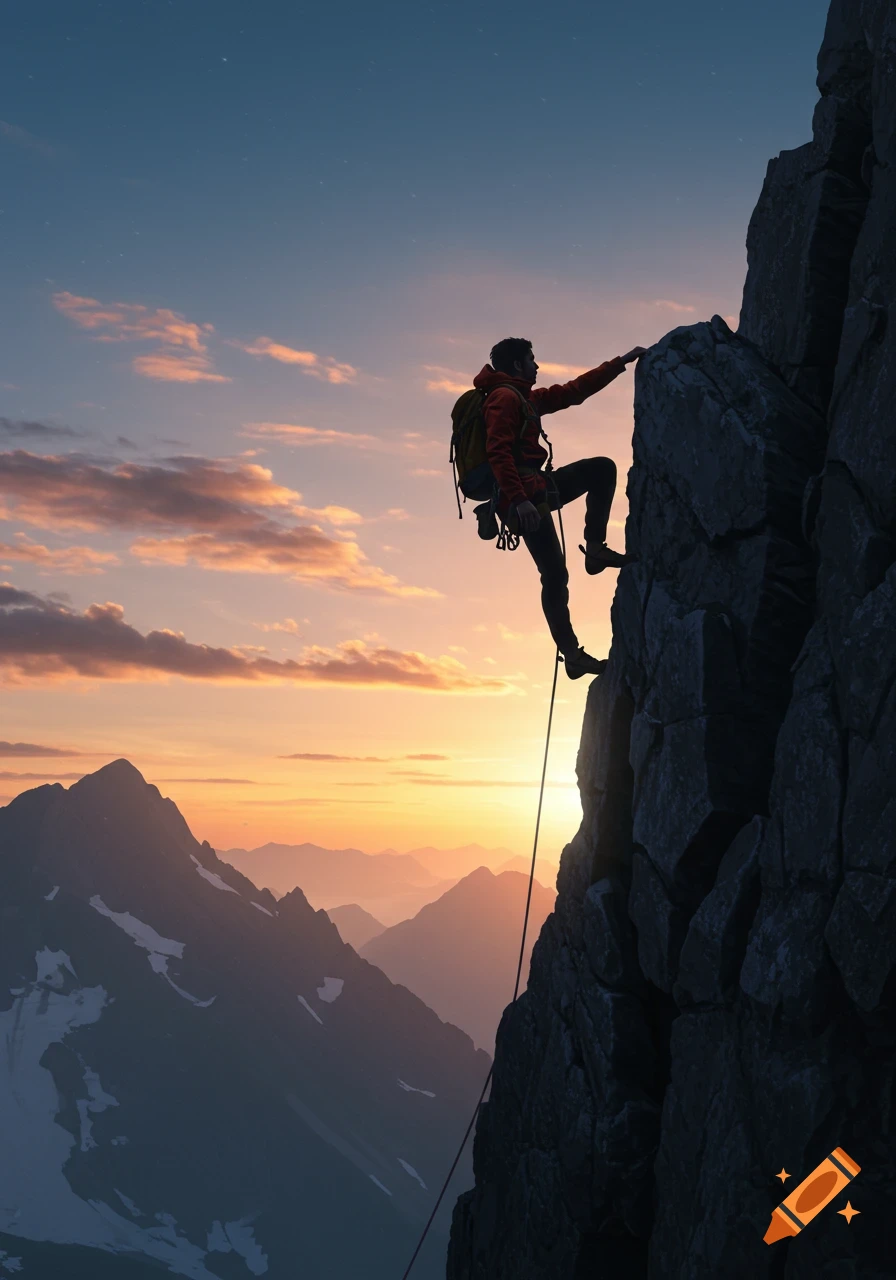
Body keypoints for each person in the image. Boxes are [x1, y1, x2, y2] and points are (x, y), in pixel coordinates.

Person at [474, 337, 647, 679]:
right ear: (517, 365)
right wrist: (520, 501)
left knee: (601, 469)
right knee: (554, 574)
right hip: (522, 500)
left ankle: (595, 550)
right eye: (532, 360)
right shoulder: (504, 399)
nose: (537, 366)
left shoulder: (525, 399)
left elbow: (572, 391)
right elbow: (498, 453)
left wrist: (621, 362)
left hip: (536, 489)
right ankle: (571, 654)